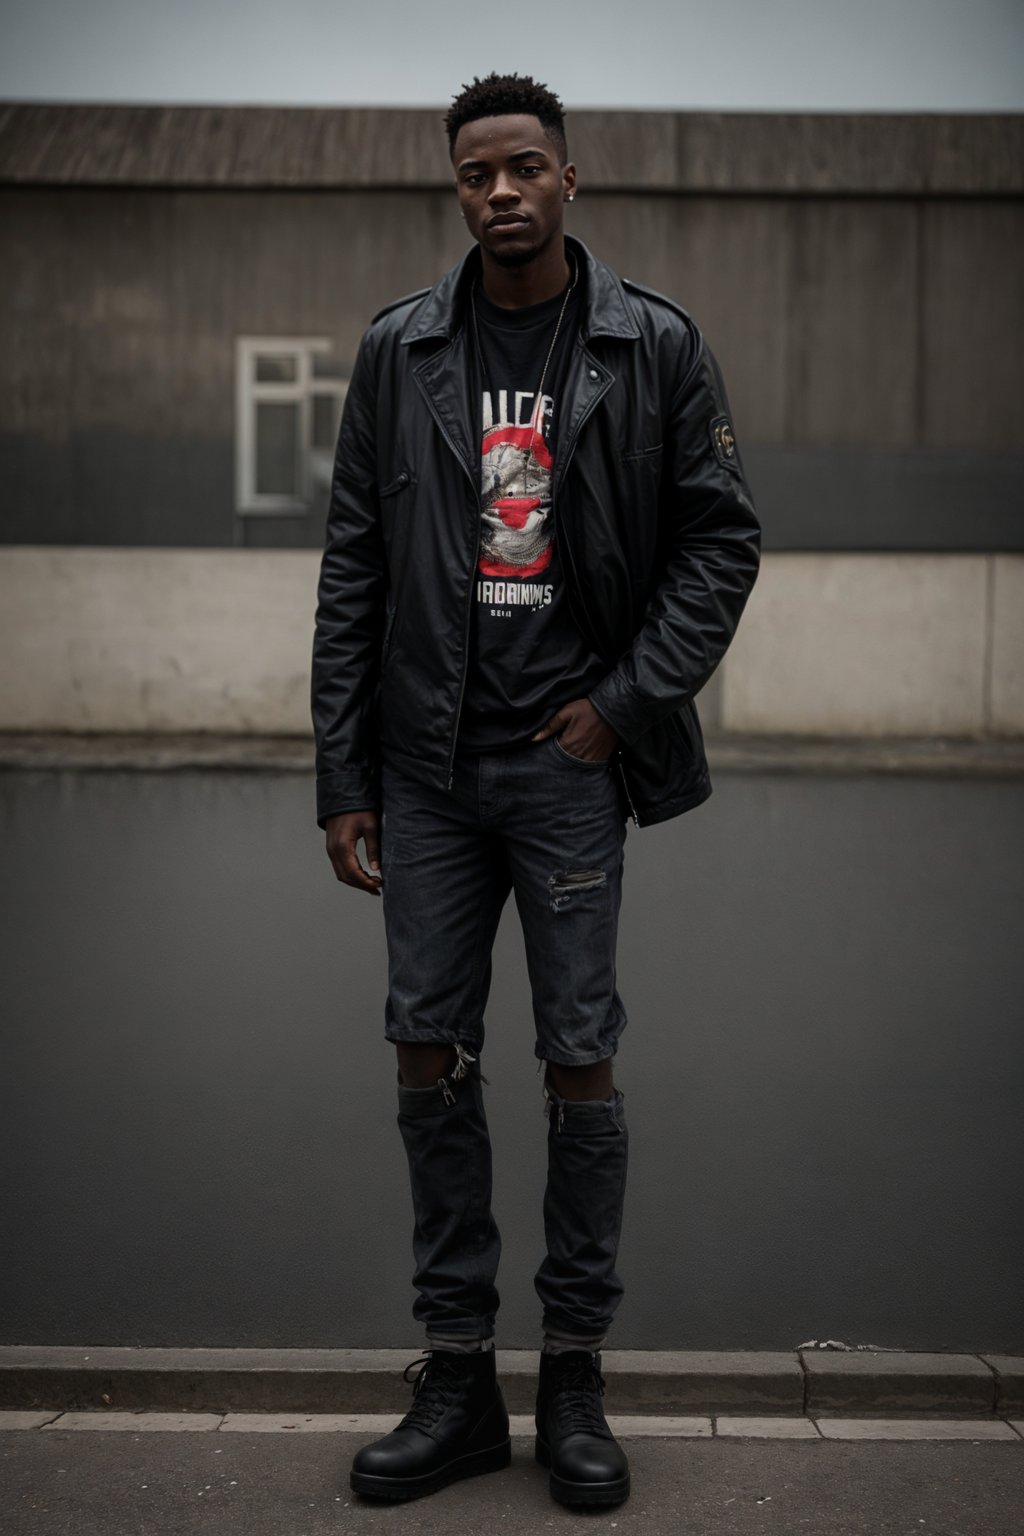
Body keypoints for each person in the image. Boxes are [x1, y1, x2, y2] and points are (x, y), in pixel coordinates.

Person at [311, 72, 760, 1509]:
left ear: (567, 178)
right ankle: (458, 1382)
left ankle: (573, 1374)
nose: (497, 193)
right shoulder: (401, 352)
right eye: (472, 176)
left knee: (580, 1057)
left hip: (567, 769)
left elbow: (720, 548)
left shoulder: (651, 346)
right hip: (427, 770)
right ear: (457, 191)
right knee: (426, 1051)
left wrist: (621, 710)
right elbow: (353, 572)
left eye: (521, 169)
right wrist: (344, 775)